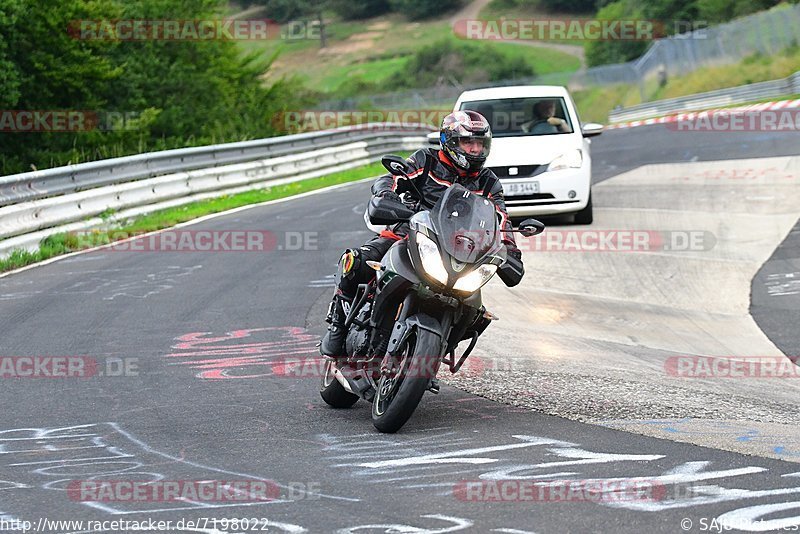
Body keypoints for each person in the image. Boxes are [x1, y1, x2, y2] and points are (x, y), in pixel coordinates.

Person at [319, 110, 523, 358]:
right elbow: (393, 178)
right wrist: (386, 195)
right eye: (468, 142)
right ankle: (338, 325)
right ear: (450, 141)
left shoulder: (488, 182)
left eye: (480, 144)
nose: (474, 150)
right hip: (408, 235)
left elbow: (501, 218)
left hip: (456, 251)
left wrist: (510, 250)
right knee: (357, 262)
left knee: (474, 311)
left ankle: (436, 351)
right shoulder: (426, 160)